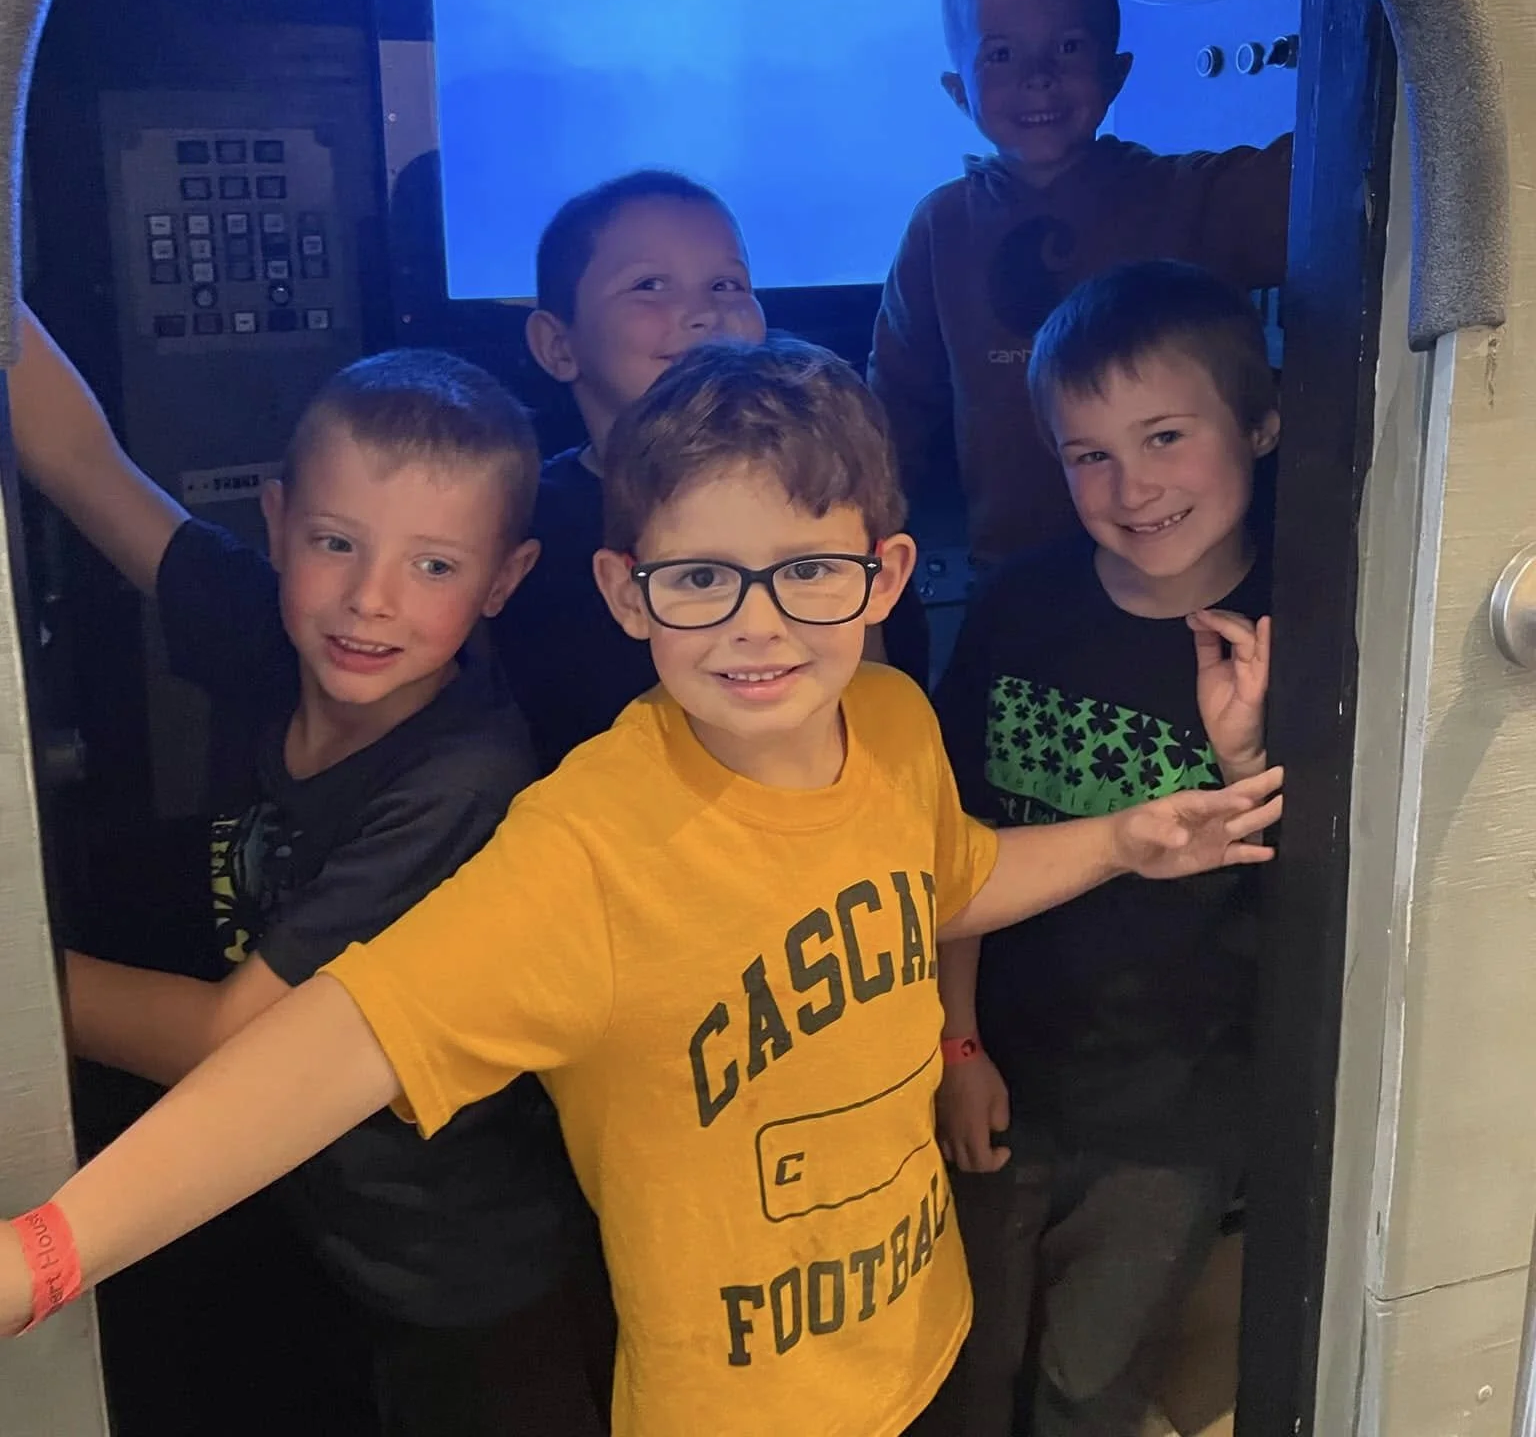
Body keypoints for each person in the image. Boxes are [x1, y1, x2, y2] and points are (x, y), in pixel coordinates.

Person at [1, 334, 1283, 1437]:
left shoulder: (892, 718)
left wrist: (1121, 841)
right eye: (702, 577)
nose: (758, 622)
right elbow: (325, 1049)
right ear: (627, 593)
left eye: (809, 569)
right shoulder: (583, 848)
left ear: (887, 576)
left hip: (919, 1328)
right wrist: (46, 1254)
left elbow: (948, 877)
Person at [7, 309, 610, 1436]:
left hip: (462, 1268)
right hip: (315, 1216)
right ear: (279, 523)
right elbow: (80, 460)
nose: (371, 598)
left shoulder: (461, 780)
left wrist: (21, 982)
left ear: (504, 578)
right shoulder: (272, 629)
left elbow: (231, 1040)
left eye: (434, 565)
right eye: (338, 542)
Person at [932, 261, 1279, 1436]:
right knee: (968, 1359)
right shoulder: (1019, 607)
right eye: (1089, 453)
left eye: (1167, 435)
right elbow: (955, 851)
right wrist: (957, 1039)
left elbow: (1334, 894)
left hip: (1179, 1116)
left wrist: (1243, 757)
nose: (1132, 487)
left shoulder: (1320, 613)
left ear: (1262, 422)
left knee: (1090, 1381)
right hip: (1007, 1066)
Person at [868, 0, 1291, 569]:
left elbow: (1328, 173)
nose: (1038, 78)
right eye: (1001, 55)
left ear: (1116, 72)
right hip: (1014, 574)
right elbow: (895, 408)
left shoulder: (1189, 196)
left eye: (1067, 47)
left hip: (1185, 563)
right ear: (958, 92)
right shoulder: (940, 227)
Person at [497, 169, 926, 764]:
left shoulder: (832, 489)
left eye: (726, 284)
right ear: (557, 345)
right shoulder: (520, 520)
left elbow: (874, 714)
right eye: (649, 285)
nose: (703, 313)